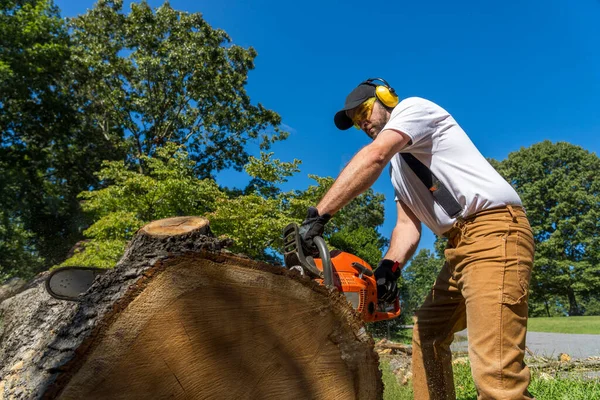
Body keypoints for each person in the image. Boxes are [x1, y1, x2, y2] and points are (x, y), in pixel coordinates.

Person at [298, 78, 535, 400]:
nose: (362, 122)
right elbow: (408, 227)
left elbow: (374, 156)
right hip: (458, 245)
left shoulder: (414, 109)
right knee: (428, 332)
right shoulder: (400, 169)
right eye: (355, 121)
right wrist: (388, 268)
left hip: (494, 230)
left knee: (496, 371)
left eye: (364, 111)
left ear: (386, 98)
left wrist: (318, 216)